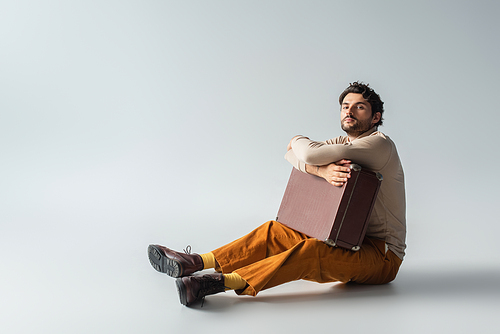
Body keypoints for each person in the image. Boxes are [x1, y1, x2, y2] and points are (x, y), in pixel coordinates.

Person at [148, 81, 406, 306]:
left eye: (359, 107)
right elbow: (292, 154)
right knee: (275, 231)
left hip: (381, 256)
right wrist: (321, 170)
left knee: (312, 250)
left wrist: (300, 143)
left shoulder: (379, 144)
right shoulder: (343, 144)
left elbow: (304, 152)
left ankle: (217, 284)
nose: (349, 111)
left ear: (375, 118)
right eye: (345, 106)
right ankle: (194, 261)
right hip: (346, 237)